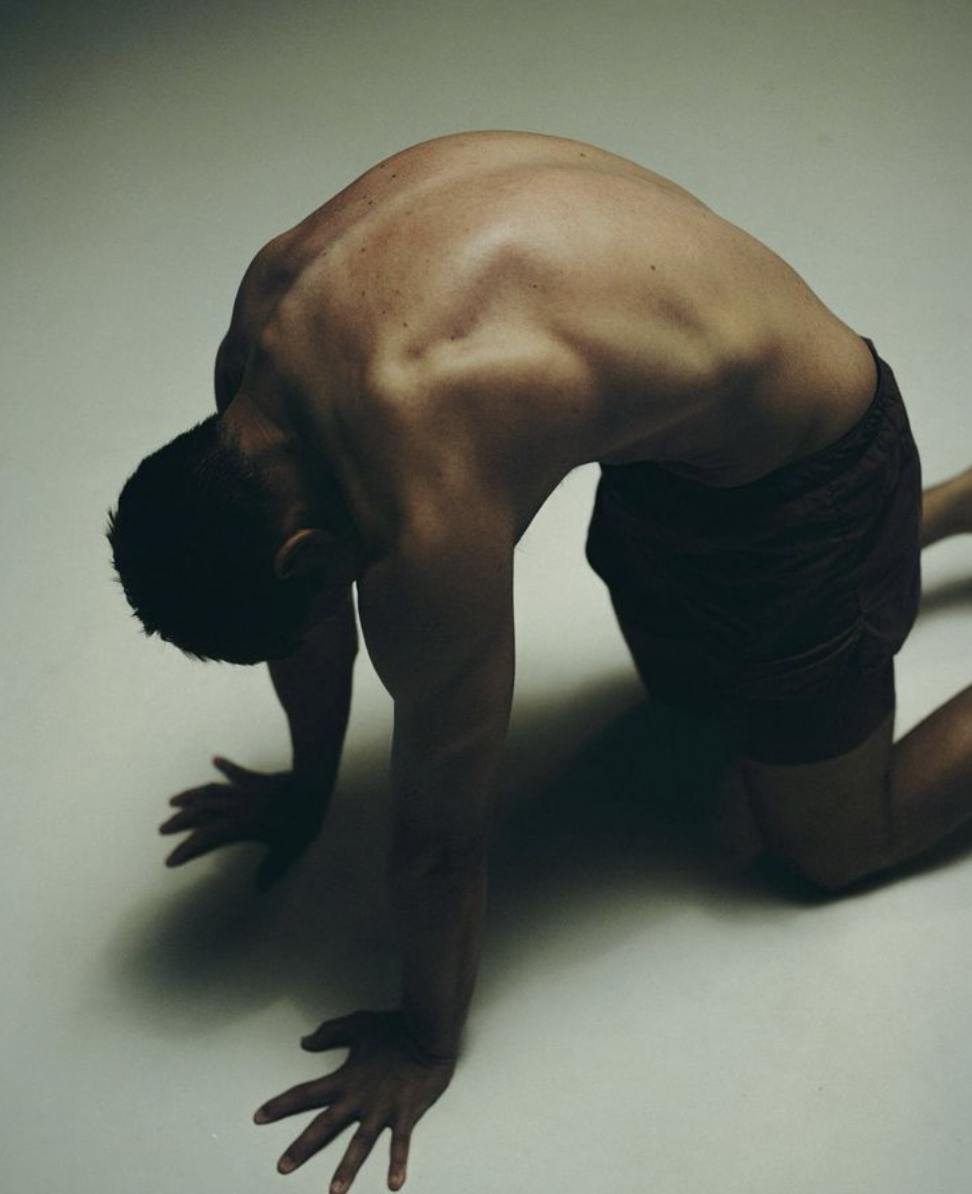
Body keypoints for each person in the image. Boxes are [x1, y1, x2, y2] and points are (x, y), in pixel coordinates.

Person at [106, 130, 972, 1194]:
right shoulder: (261, 342)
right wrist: (309, 789)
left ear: (306, 553)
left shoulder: (424, 500)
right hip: (682, 446)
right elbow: (311, 616)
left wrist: (424, 1044)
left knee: (835, 848)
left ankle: (879, 535)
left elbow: (441, 844)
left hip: (815, 476)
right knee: (689, 703)